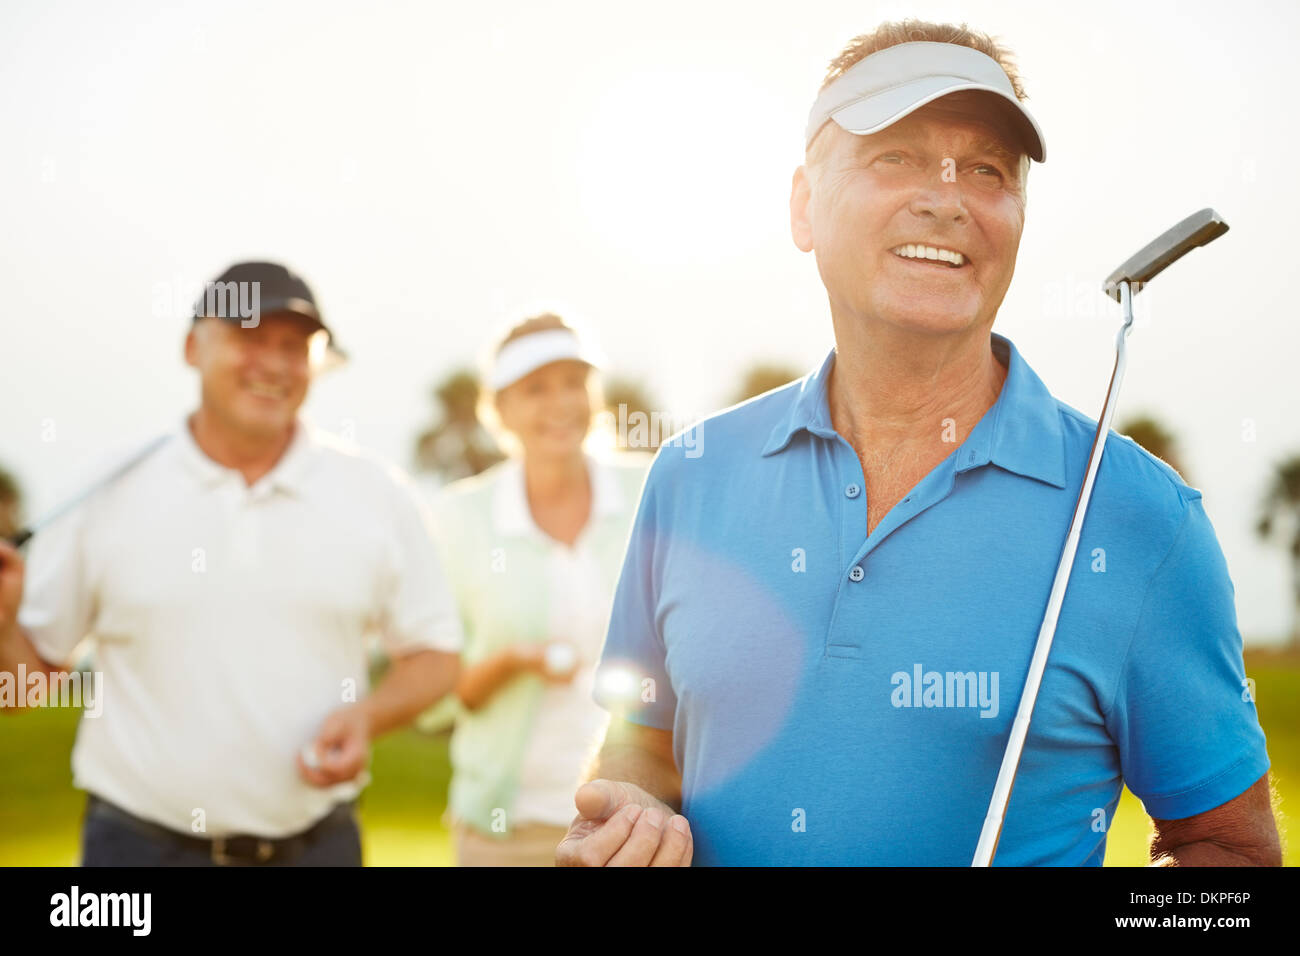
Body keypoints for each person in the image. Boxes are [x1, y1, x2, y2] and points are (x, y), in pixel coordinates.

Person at [558, 20, 1280, 866]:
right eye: (895, 156)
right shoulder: (689, 477)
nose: (947, 198)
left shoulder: (1140, 521)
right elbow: (640, 747)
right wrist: (628, 821)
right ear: (803, 205)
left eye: (986, 170)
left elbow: (1230, 855)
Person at [0, 260, 463, 866]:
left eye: (295, 347)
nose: (273, 363)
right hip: (135, 851)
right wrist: (7, 623)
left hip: (318, 846)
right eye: (249, 338)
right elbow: (23, 687)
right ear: (193, 347)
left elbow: (436, 656)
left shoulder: (377, 494)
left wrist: (369, 716)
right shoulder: (106, 491)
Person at [431, 313, 651, 866]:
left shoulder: (651, 486)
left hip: (634, 820)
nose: (560, 404)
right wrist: (511, 661)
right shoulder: (460, 518)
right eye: (535, 389)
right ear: (500, 408)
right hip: (509, 828)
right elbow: (434, 692)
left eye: (574, 383)